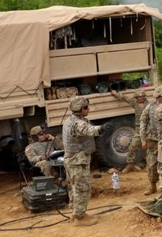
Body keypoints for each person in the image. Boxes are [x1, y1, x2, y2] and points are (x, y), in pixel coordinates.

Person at [62, 96, 110, 226]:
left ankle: (75, 213)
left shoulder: (70, 120)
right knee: (82, 188)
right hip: (78, 161)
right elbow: (88, 130)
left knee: (73, 187)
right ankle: (80, 217)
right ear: (78, 109)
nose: (88, 109)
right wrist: (101, 128)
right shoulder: (77, 123)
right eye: (85, 107)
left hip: (73, 160)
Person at [110, 88, 149, 173]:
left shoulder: (149, 105)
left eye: (142, 96)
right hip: (139, 130)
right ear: (136, 98)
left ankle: (149, 166)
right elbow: (124, 98)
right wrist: (116, 94)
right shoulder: (134, 103)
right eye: (138, 97)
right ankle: (130, 165)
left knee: (150, 148)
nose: (140, 98)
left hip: (148, 129)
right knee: (132, 147)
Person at [139, 86, 162, 195]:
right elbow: (143, 123)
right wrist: (143, 139)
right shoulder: (150, 107)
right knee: (152, 164)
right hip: (153, 140)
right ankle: (153, 186)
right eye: (158, 96)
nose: (160, 98)